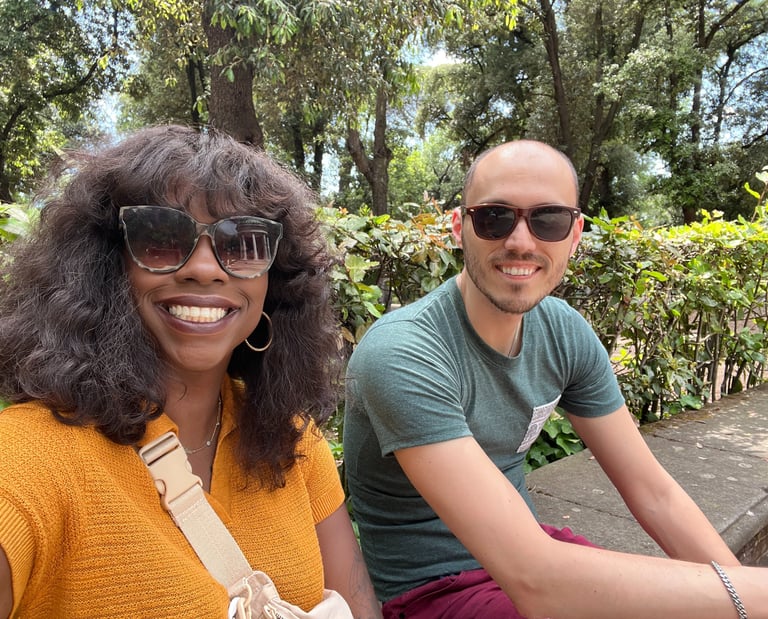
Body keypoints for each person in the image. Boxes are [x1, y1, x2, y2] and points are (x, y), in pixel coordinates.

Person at [343, 139, 768, 618]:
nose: (521, 241)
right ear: (460, 228)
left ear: (575, 233)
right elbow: (535, 578)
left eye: (548, 220)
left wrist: (743, 592)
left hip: (531, 551)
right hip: (434, 591)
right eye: (494, 217)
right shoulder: (404, 353)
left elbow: (655, 494)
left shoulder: (564, 332)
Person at [0, 125, 381, 619]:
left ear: (274, 280)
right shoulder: (27, 460)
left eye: (243, 243)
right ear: (105, 265)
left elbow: (358, 603)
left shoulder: (295, 443)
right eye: (160, 237)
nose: (205, 268)